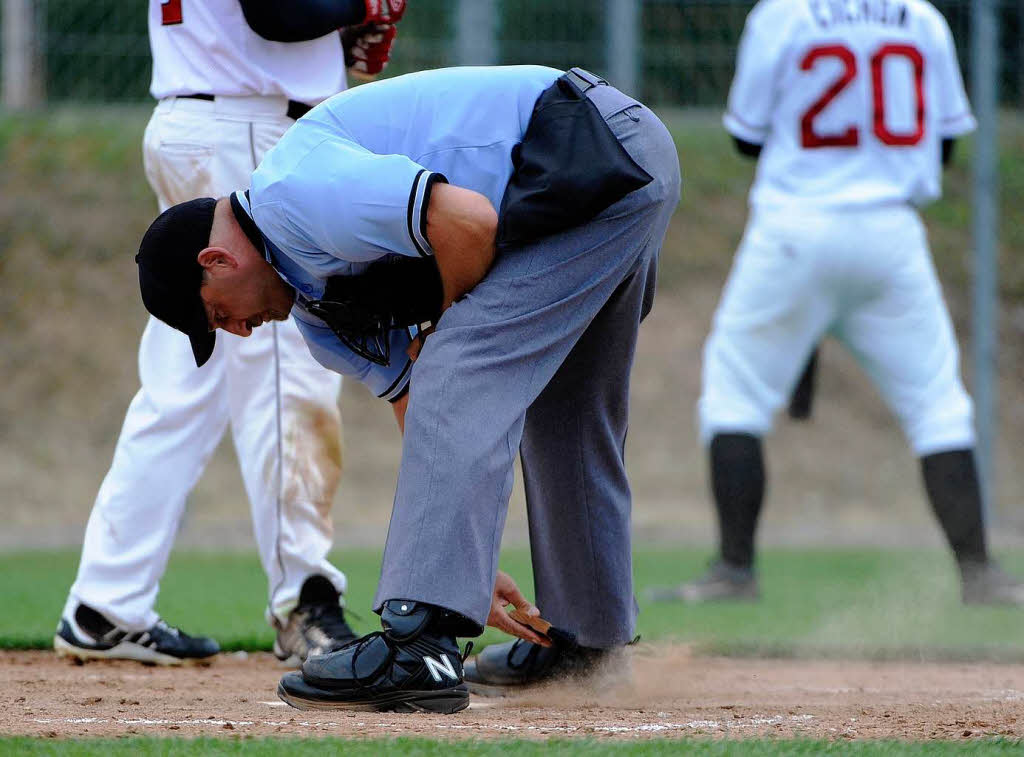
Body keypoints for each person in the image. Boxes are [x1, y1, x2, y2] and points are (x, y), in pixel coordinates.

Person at [132, 64, 681, 711]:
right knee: (565, 413)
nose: (239, 331)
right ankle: (588, 645)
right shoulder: (316, 313)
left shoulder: (293, 193)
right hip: (603, 169)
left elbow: (466, 222)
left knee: (462, 361)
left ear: (215, 261)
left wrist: (439, 584)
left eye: (218, 316)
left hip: (585, 145)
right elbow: (425, 412)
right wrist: (467, 568)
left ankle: (420, 643)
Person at [55, 0, 406, 667]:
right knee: (285, 363)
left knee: (182, 382)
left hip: (206, 111)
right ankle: (304, 597)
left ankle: (107, 600)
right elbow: (277, 12)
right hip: (247, 119)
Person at [653, 0, 1024, 605]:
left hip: (795, 227)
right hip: (891, 233)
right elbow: (948, 137)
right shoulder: (921, 16)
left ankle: (735, 571)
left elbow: (747, 137)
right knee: (938, 405)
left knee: (735, 393)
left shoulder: (783, 13)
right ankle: (979, 573)